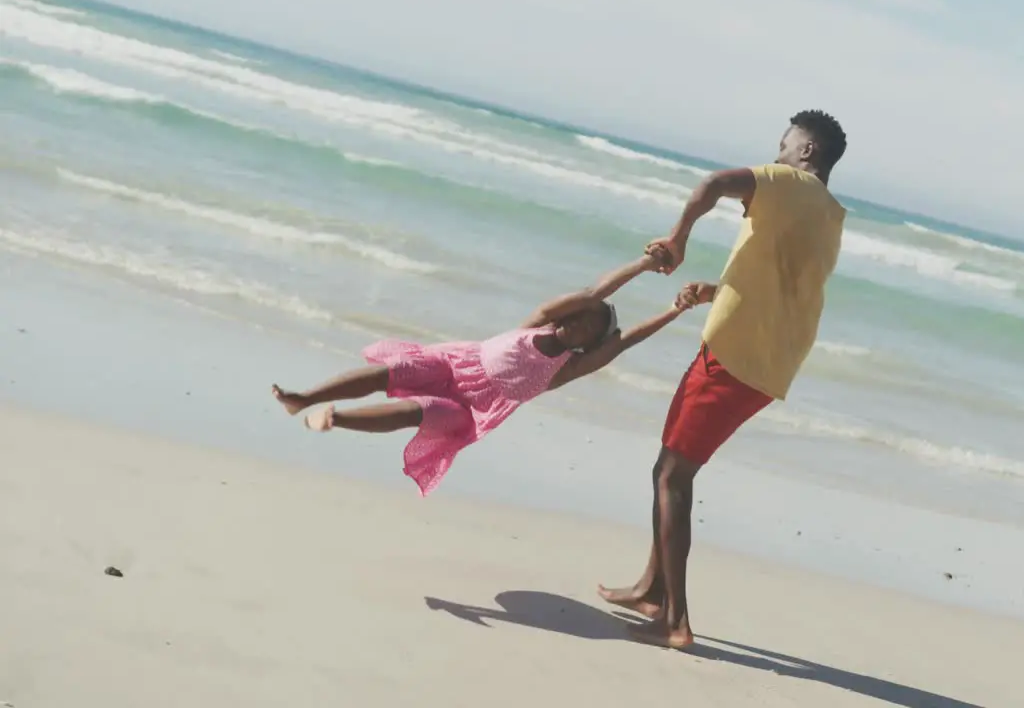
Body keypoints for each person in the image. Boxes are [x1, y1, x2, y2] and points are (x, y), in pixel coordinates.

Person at [597, 110, 850, 648]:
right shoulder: (829, 215)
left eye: (785, 145)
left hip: (732, 355)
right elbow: (785, 286)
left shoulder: (786, 182)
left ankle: (675, 621)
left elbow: (712, 184)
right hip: (768, 362)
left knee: (672, 476)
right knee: (671, 464)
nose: (777, 154)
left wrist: (678, 237)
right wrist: (718, 291)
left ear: (806, 153)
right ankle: (651, 588)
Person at [272, 250, 684, 495]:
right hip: (455, 362)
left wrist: (675, 310)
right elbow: (595, 293)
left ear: (586, 344)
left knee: (424, 411)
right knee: (398, 370)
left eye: (588, 326)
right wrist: (645, 263)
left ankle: (335, 418)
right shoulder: (537, 322)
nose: (578, 321)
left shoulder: (566, 367)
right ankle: (304, 399)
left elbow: (624, 340)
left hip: (472, 409)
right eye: (579, 315)